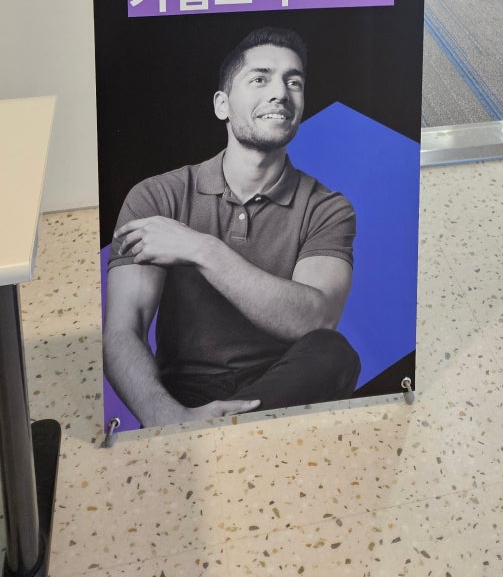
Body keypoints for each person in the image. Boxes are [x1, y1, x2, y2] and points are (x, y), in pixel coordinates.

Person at [103, 26, 360, 428]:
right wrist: (167, 415)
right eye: (260, 79)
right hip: (185, 396)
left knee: (333, 352)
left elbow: (314, 321)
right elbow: (124, 329)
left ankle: (211, 436)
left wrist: (202, 250)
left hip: (284, 390)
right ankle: (209, 432)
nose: (280, 93)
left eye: (293, 82)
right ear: (222, 104)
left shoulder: (327, 208)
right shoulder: (157, 196)